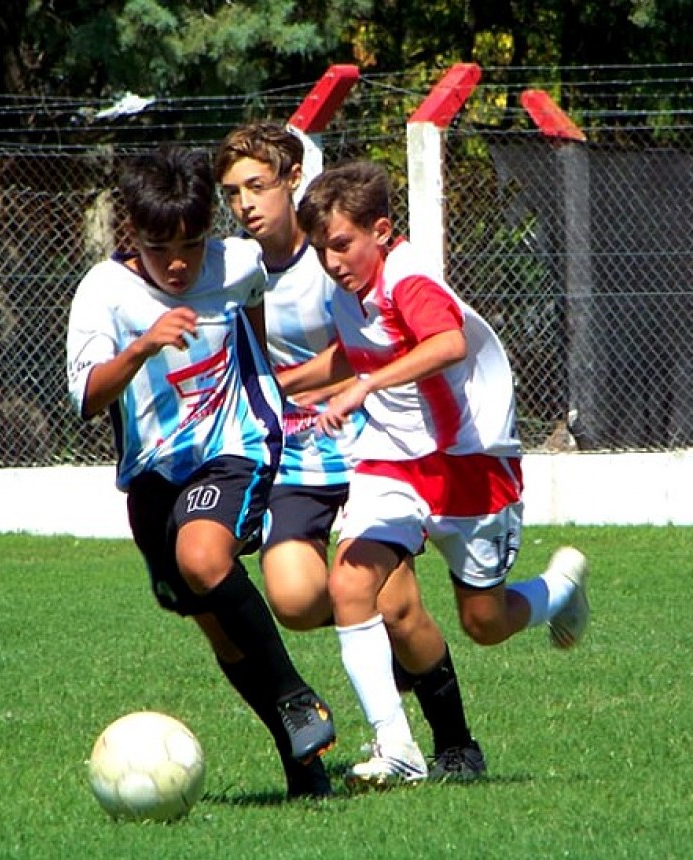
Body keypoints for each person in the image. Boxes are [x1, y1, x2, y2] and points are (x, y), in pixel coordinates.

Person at [279, 159, 589, 789]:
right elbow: (356, 347)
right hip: (392, 462)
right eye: (320, 249)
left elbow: (443, 343)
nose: (332, 260)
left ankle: (557, 590)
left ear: (382, 231)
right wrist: (280, 387)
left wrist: (362, 386)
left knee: (484, 622)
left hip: (470, 467)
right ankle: (397, 747)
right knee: (350, 585)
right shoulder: (346, 291)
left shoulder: (410, 279)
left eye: (342, 244)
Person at [213, 122, 485, 786]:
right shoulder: (235, 267)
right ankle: (368, 634)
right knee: (296, 597)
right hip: (299, 457)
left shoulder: (338, 252)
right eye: (232, 192)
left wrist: (339, 387)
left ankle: (455, 743)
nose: (245, 203)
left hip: (372, 447)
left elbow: (378, 348)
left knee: (398, 609)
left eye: (258, 185)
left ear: (291, 181)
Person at [66, 146, 335, 800]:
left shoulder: (238, 262)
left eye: (193, 242)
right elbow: (89, 398)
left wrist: (266, 396)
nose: (181, 262)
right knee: (219, 629)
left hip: (236, 446)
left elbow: (253, 324)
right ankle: (304, 768)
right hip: (154, 479)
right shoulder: (104, 293)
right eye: (163, 248)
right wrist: (141, 347)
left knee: (203, 555)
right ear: (133, 232)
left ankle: (299, 698)